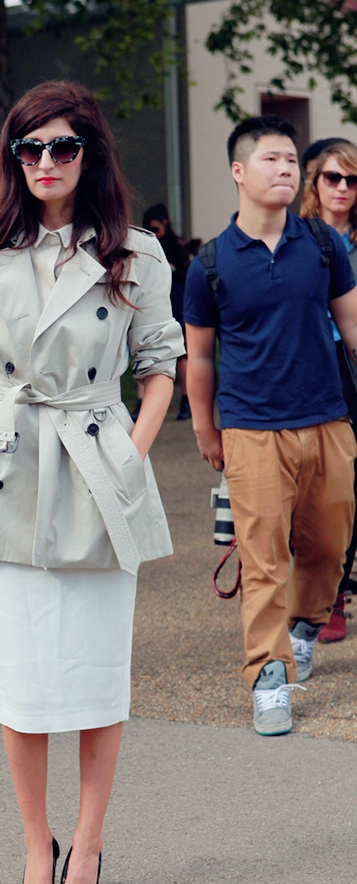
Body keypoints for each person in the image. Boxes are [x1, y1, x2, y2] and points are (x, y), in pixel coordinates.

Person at [0, 80, 184, 884]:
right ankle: (34, 841)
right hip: (8, 472)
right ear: (14, 158)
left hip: (97, 470)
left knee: (95, 674)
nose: (46, 161)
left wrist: (128, 457)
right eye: (30, 147)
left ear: (90, 153)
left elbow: (160, 369)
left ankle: (88, 839)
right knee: (25, 682)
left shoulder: (135, 253)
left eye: (63, 146)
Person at [185, 114, 357, 737]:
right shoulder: (209, 263)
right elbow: (199, 358)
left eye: (291, 160)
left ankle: (305, 626)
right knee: (262, 560)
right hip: (252, 429)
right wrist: (205, 429)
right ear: (239, 171)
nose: (285, 169)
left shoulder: (323, 245)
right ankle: (269, 676)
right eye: (271, 159)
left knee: (330, 548)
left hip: (328, 420)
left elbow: (353, 328)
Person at [300, 140, 357, 641]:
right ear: (314, 182)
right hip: (308, 364)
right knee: (310, 487)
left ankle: (335, 591)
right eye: (332, 177)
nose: (342, 188)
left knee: (349, 487)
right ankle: (318, 591)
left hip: (351, 367)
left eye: (352, 180)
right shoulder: (295, 236)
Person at [142, 203, 191, 420]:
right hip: (152, 301)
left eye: (156, 228)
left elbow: (187, 274)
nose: (154, 233)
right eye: (150, 229)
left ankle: (186, 400)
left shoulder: (175, 245)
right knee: (145, 350)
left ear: (165, 224)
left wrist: (172, 269)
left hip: (175, 300)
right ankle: (142, 403)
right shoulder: (146, 246)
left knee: (182, 353)